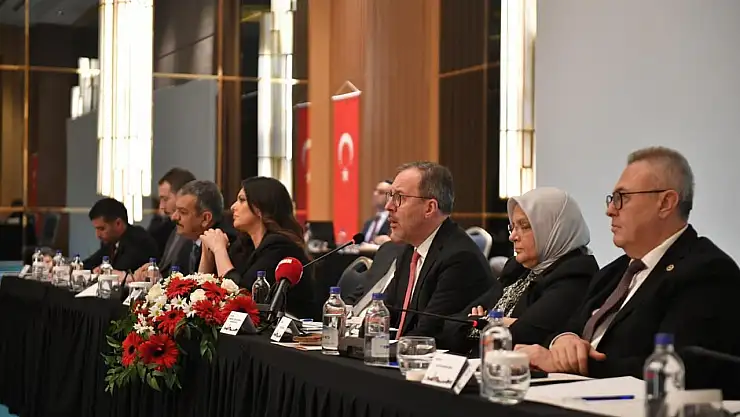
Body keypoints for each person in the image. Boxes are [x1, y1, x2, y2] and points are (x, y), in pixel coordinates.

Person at [517, 147, 740, 394]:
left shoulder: (707, 272)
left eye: (622, 198)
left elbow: (679, 368)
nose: (610, 210)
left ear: (665, 203)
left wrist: (582, 366)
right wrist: (564, 341)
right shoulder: (614, 272)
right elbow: (568, 328)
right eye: (612, 199)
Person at [439, 187, 598, 353]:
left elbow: (523, 335)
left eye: (524, 226)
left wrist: (482, 322)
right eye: (512, 227)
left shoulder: (575, 275)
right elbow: (450, 325)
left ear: (555, 229)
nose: (512, 236)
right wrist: (497, 323)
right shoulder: (518, 270)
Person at [382, 161, 497, 340]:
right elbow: (384, 313)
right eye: (390, 196)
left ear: (429, 208)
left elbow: (428, 334)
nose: (388, 206)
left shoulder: (460, 259)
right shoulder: (410, 250)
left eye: (399, 197)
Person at [198, 177, 315, 319]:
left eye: (242, 200)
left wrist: (219, 250)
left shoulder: (281, 247)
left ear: (260, 208)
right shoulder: (244, 246)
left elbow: (241, 299)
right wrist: (207, 254)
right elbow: (204, 293)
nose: (233, 206)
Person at [133, 180, 235, 279]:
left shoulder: (226, 245)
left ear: (205, 218)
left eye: (183, 212)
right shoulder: (185, 238)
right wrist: (157, 278)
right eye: (176, 210)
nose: (174, 217)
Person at [83, 198, 158, 275]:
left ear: (118, 223)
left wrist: (100, 270)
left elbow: (120, 270)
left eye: (102, 229)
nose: (98, 235)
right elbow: (90, 263)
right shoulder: (110, 242)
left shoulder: (138, 241)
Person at [148, 168, 196, 258]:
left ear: (182, 196)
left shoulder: (194, 235)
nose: (161, 206)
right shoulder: (173, 229)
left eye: (165, 199)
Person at [360, 180, 393, 244]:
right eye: (375, 190)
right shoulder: (368, 223)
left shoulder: (394, 222)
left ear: (391, 197)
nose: (375, 194)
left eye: (381, 192)